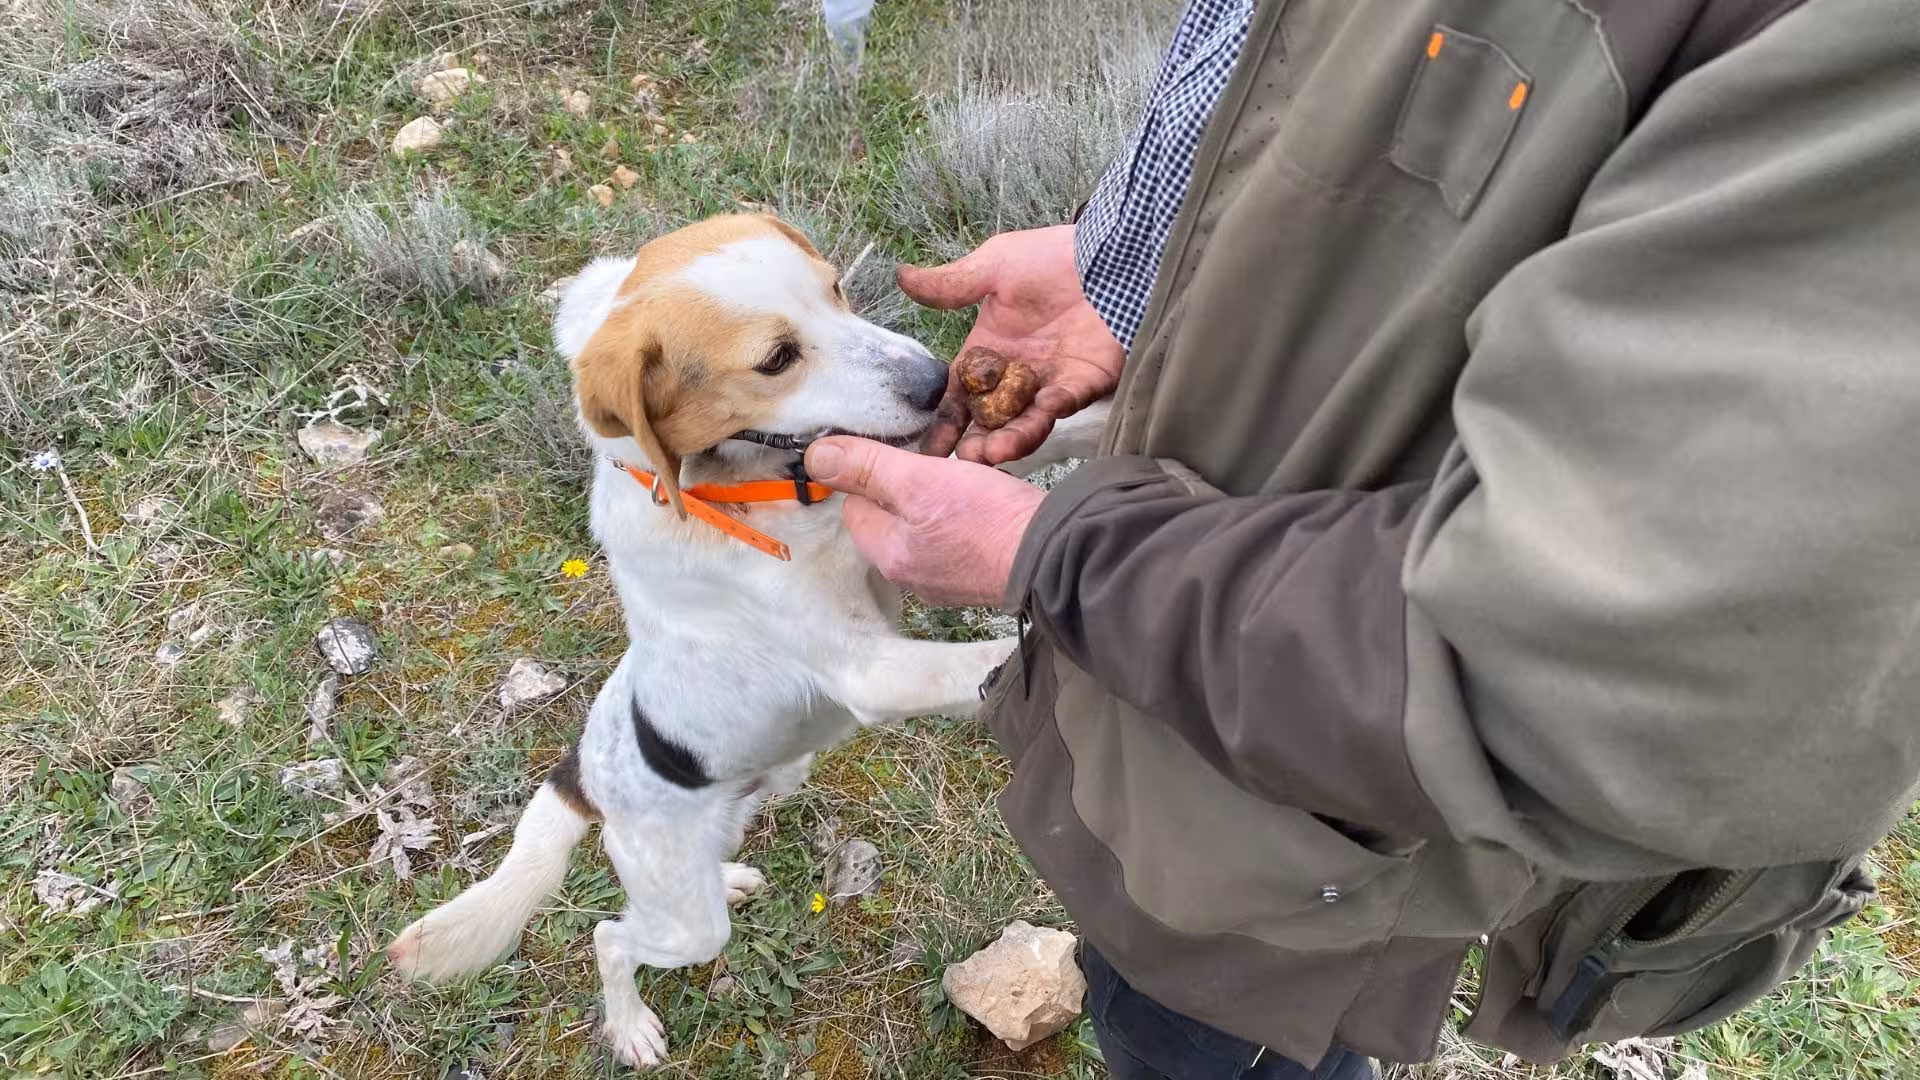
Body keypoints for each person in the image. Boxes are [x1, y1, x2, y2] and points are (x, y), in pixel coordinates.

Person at [804, 1, 1920, 1077]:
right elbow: (1355, 140)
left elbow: (1615, 662)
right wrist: (1127, 266)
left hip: (1301, 837)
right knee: (1150, 987)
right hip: (1187, 739)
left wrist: (1053, 554)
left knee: (1192, 1036)